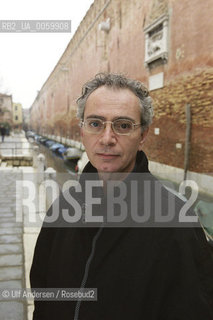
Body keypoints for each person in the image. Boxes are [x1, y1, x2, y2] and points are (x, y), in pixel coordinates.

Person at [30, 73, 213, 320]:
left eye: (123, 125)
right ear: (82, 131)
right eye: (95, 124)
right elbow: (42, 290)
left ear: (143, 136)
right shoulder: (63, 208)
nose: (107, 139)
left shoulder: (177, 223)